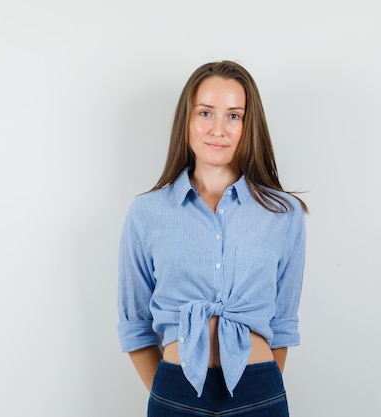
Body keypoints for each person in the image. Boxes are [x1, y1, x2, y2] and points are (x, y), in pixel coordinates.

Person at [117, 60, 307, 417]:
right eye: (206, 112)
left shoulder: (285, 214)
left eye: (234, 116)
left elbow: (282, 324)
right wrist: (169, 392)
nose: (218, 129)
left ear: (250, 126)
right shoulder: (145, 213)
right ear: (186, 121)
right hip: (176, 392)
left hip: (259, 392)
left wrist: (260, 390)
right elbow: (135, 327)